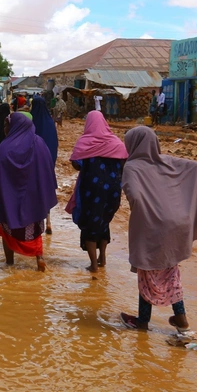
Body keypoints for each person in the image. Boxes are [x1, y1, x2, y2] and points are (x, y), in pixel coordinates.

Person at [119, 126, 197, 333]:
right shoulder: (166, 161)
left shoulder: (132, 167)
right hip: (177, 225)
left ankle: (143, 320)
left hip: (152, 226)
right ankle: (181, 318)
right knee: (170, 271)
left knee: (147, 272)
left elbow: (134, 194)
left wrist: (144, 210)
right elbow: (194, 166)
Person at [0, 113, 58, 272]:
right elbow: (47, 169)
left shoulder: (5, 147)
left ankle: (9, 262)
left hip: (9, 201)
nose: (5, 129)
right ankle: (39, 258)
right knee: (36, 230)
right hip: (33, 201)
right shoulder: (39, 143)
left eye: (7, 126)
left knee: (7, 231)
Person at [67, 111, 128, 272]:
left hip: (91, 191)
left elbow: (76, 164)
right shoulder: (116, 142)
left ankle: (93, 265)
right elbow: (125, 162)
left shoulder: (85, 142)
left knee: (90, 223)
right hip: (113, 190)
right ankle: (103, 258)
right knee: (104, 221)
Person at [30, 95, 59, 235]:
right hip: (48, 163)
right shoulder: (50, 122)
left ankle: (36, 224)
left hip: (32, 163)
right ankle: (48, 221)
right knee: (47, 189)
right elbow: (55, 143)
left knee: (34, 191)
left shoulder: (30, 122)